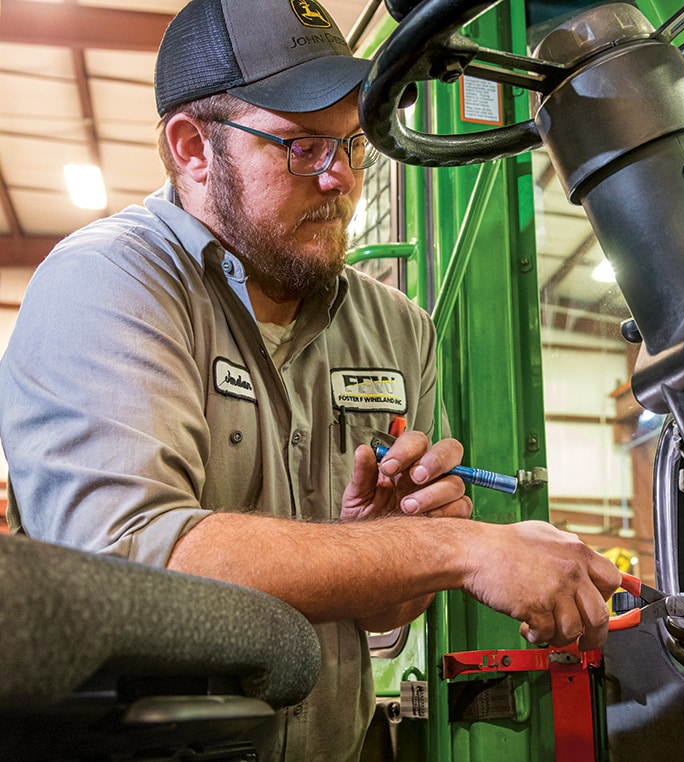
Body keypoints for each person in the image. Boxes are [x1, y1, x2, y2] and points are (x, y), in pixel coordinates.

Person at [0, 0, 622, 758]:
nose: (340, 180)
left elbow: (384, 620)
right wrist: (461, 550)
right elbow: (125, 562)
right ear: (193, 147)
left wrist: (392, 550)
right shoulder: (108, 282)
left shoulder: (397, 330)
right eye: (299, 146)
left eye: (354, 145)